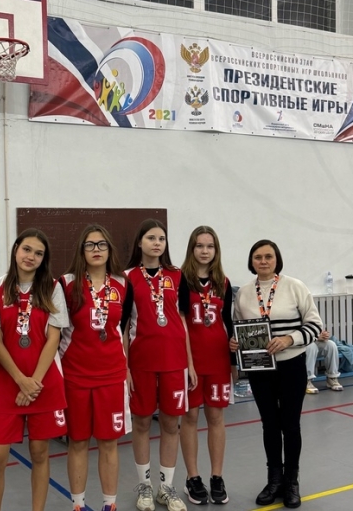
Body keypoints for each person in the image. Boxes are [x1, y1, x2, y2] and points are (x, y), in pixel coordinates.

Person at [0, 228, 69, 511]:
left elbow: (54, 337)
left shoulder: (52, 288)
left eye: (38, 253)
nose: (31, 256)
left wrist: (33, 383)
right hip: (8, 383)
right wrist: (21, 381)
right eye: (27, 249)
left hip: (43, 383)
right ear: (16, 249)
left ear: (44, 259)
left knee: (40, 453)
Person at [231, 239, 321, 509]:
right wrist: (234, 342)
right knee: (269, 425)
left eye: (268, 256)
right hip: (260, 369)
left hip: (292, 365)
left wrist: (289, 339)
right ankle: (274, 480)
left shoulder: (295, 286)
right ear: (251, 261)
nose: (263, 261)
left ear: (277, 259)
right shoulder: (244, 293)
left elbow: (315, 325)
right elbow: (238, 327)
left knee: (290, 425)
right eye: (258, 257)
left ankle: (291, 481)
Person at [60, 224, 133, 511]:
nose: (96, 250)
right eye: (90, 245)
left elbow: (122, 329)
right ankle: (78, 505)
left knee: (108, 442)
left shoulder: (123, 283)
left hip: (111, 375)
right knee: (78, 442)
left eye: (102, 244)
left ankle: (109, 505)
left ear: (109, 249)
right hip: (75, 374)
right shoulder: (66, 283)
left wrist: (127, 368)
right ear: (81, 250)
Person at [125, 219, 196, 511]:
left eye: (162, 239)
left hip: (174, 362)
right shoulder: (126, 277)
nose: (157, 243)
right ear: (139, 242)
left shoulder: (178, 276)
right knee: (141, 423)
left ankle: (166, 489)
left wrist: (189, 363)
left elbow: (183, 321)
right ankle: (144, 486)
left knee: (170, 424)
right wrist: (125, 368)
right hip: (140, 362)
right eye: (151, 238)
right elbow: (122, 327)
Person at [178, 226, 234, 505]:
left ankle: (216, 476)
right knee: (189, 418)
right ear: (192, 248)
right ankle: (193, 477)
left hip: (218, 360)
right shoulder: (181, 280)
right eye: (199, 245)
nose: (204, 251)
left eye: (209, 246)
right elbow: (180, 323)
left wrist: (235, 358)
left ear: (216, 250)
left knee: (216, 418)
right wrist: (187, 363)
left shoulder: (223, 282)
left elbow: (229, 322)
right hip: (191, 362)